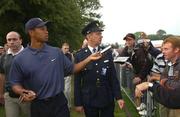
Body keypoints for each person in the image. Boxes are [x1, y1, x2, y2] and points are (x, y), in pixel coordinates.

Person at [8, 18, 102, 117]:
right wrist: (22, 92)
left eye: (46, 29)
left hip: (59, 103)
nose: (46, 31)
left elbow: (72, 69)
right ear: (31, 32)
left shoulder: (56, 52)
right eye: (42, 29)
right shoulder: (20, 58)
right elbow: (15, 83)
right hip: (38, 105)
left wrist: (89, 59)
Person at [74, 21, 125, 117]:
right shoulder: (80, 55)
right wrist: (78, 103)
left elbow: (113, 77)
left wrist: (118, 97)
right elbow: (77, 81)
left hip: (106, 97)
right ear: (88, 36)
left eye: (101, 34)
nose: (101, 36)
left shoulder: (106, 52)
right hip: (89, 99)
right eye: (98, 34)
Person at [135, 36, 180, 111]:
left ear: (176, 49)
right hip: (168, 103)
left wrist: (149, 85)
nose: (163, 51)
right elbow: (164, 81)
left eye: (166, 49)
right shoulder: (169, 63)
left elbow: (175, 91)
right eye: (162, 49)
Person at [0, 31, 30, 117]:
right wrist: (1, 93)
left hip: (27, 96)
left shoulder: (29, 55)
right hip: (9, 96)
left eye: (14, 39)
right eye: (9, 40)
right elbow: (2, 75)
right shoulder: (3, 57)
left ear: (20, 40)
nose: (11, 42)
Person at [61, 42, 73, 109]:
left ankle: (69, 105)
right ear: (62, 48)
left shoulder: (70, 55)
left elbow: (71, 64)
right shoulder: (59, 54)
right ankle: (62, 104)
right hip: (60, 76)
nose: (66, 50)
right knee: (61, 91)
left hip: (68, 75)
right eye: (65, 48)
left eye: (68, 48)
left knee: (67, 91)